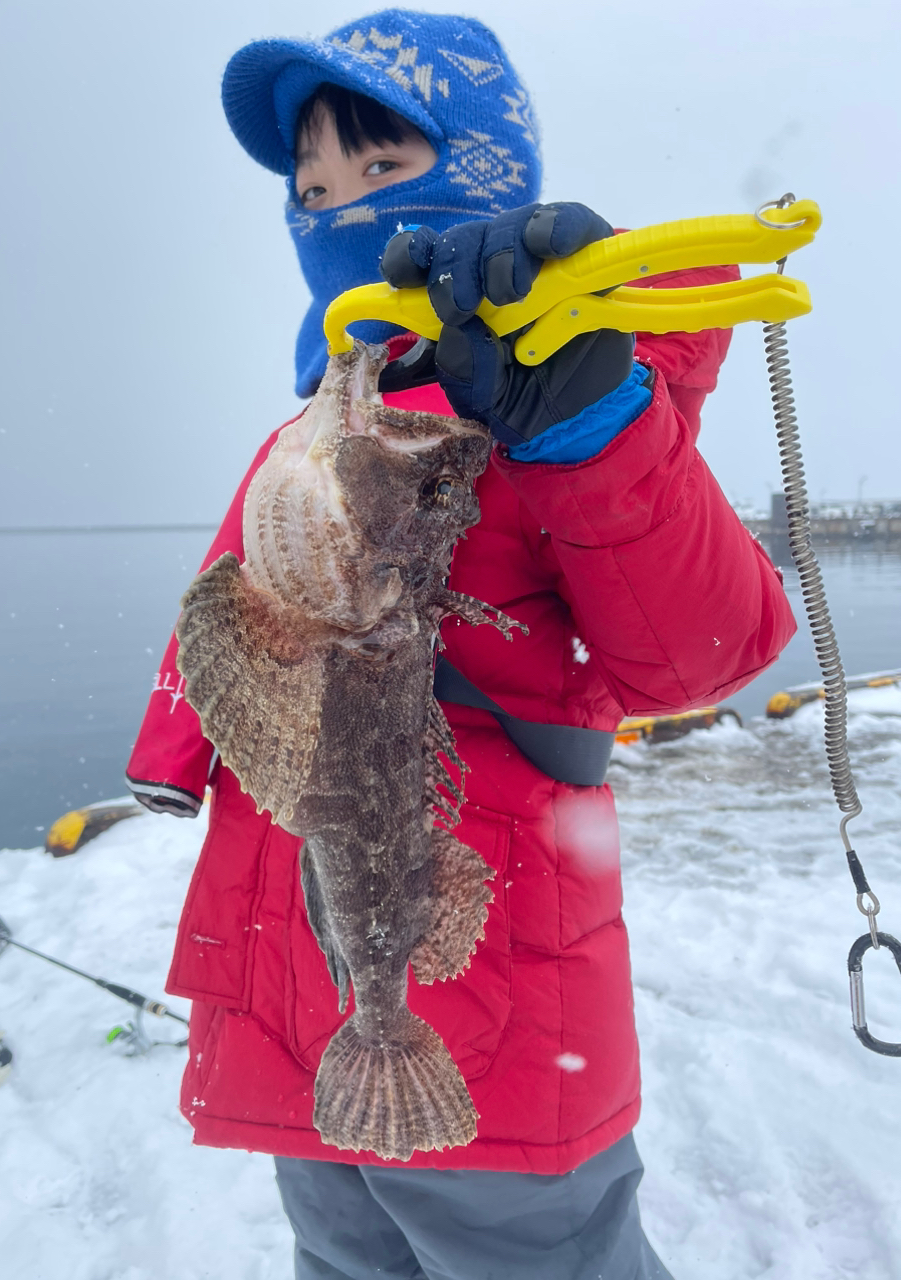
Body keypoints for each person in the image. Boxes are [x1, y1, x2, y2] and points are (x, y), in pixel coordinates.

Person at [127, 10, 796, 1278]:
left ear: (485, 182)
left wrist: (586, 424)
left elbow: (702, 651)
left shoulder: (573, 393)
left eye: (380, 170)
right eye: (311, 185)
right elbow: (233, 592)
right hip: (291, 954)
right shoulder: (337, 406)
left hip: (490, 977)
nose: (335, 207)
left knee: (535, 1258)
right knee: (342, 1251)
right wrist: (176, 746)